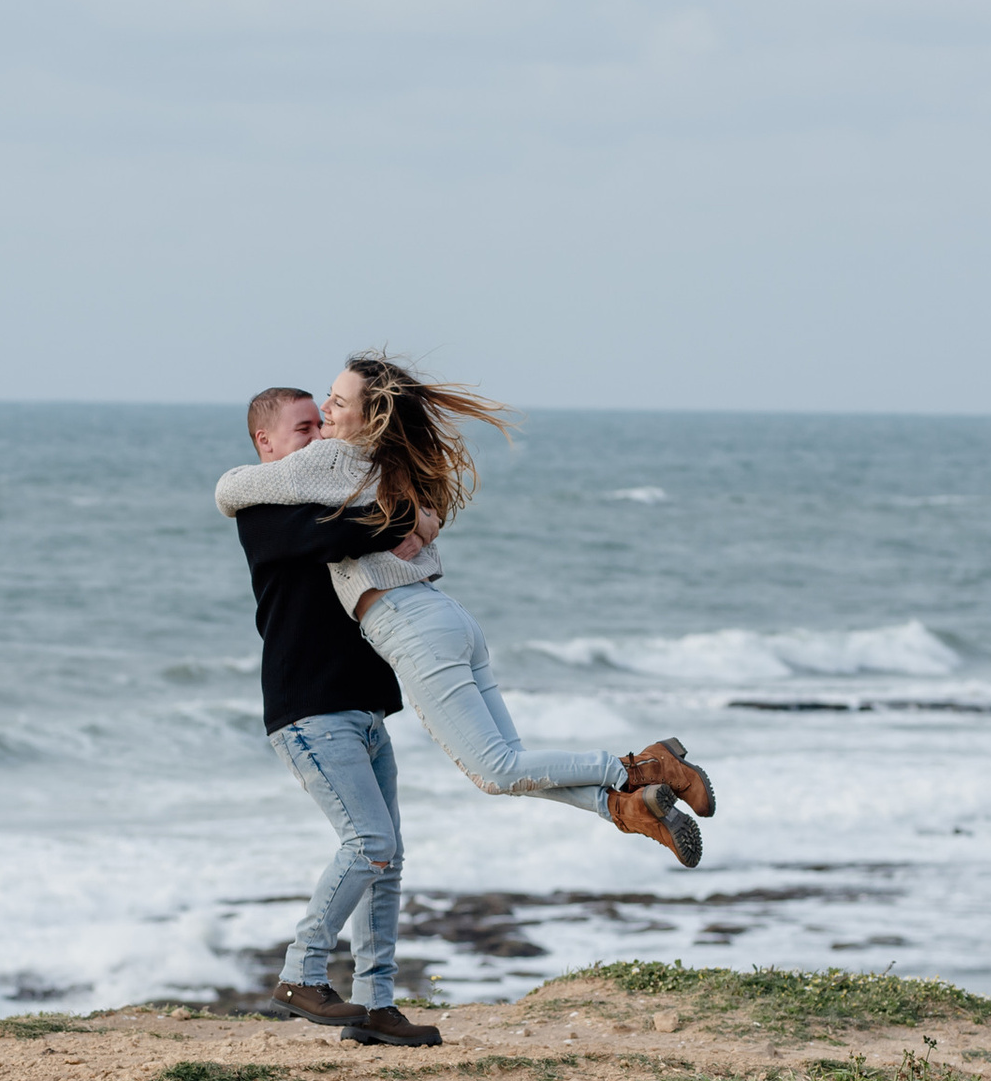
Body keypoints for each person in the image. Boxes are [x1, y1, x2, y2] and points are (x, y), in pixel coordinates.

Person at [215, 355, 716, 865]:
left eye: (337, 403)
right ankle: (628, 809)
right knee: (515, 766)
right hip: (446, 619)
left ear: (372, 417)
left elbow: (233, 487)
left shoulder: (326, 460)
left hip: (407, 625)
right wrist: (414, 517)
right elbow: (381, 521)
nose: (324, 415)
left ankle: (640, 767)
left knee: (498, 770)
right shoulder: (395, 469)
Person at [227, 384, 443, 1050]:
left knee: (389, 859)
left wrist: (413, 517)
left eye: (322, 423)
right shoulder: (263, 506)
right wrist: (402, 519)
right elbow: (340, 536)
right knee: (368, 844)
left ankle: (377, 1005)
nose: (318, 435)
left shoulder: (338, 493)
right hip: (308, 710)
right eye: (301, 428)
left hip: (365, 708)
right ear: (267, 444)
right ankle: (301, 972)